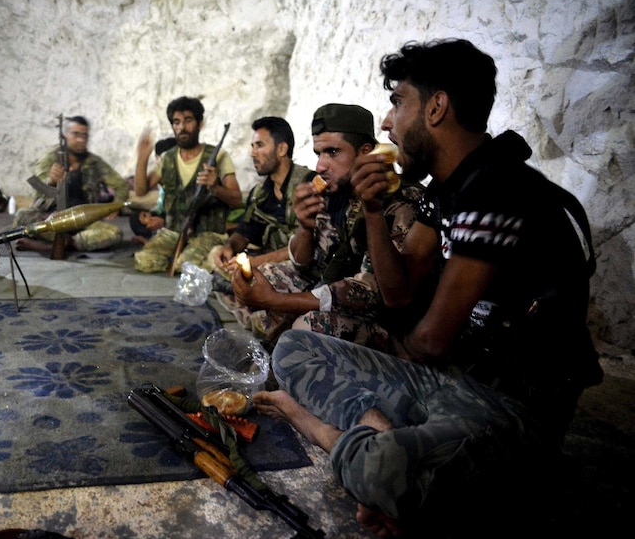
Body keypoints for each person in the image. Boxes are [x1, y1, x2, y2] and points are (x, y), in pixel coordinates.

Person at [253, 39, 603, 537]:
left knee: (381, 467)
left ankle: (334, 435)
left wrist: (380, 367)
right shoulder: (447, 188)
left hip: (511, 405)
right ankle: (384, 436)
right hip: (454, 377)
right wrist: (373, 211)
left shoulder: (495, 188)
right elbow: (399, 294)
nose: (388, 122)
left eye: (398, 102)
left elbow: (431, 340)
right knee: (294, 347)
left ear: (436, 107)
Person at [228, 104, 424, 349]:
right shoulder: (334, 192)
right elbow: (303, 264)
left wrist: (276, 301)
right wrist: (305, 227)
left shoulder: (401, 201)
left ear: (365, 153)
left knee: (308, 327)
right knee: (261, 277)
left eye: (332, 152)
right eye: (319, 153)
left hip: (386, 322)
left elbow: (369, 293)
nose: (320, 166)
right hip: (330, 290)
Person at [133, 96, 243, 272]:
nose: (182, 127)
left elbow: (237, 199)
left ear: (200, 124)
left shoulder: (219, 156)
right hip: (173, 231)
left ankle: (211, 258)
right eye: (176, 122)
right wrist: (142, 157)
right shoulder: (168, 158)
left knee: (186, 266)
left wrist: (215, 187)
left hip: (208, 233)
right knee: (144, 260)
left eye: (188, 121)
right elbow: (140, 191)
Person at [211, 116, 314, 278]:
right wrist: (229, 247)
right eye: (252, 146)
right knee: (216, 257)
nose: (253, 153)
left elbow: (310, 246)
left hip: (303, 265)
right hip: (270, 262)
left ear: (281, 149)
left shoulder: (309, 185)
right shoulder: (259, 193)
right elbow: (245, 233)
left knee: (263, 276)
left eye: (259, 145)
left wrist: (257, 261)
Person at [13, 116, 129, 254]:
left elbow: (121, 185)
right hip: (49, 218)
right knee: (22, 216)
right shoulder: (50, 159)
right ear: (65, 135)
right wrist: (51, 180)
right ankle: (68, 242)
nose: (80, 139)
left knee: (114, 233)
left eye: (84, 135)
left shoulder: (94, 162)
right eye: (75, 134)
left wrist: (116, 205)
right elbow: (39, 186)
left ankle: (62, 244)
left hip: (83, 219)